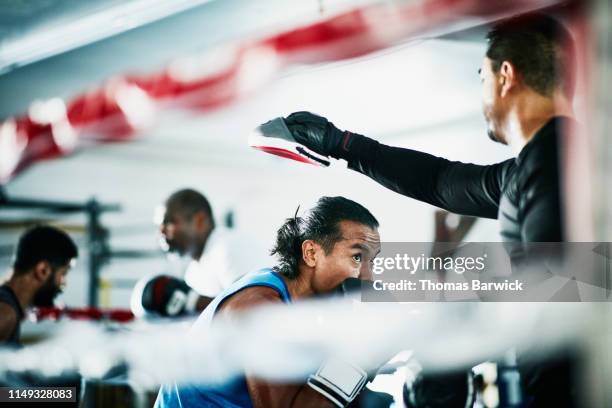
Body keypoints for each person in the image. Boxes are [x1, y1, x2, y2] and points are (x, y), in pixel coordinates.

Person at [263, 13, 576, 244]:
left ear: (505, 77)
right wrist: (340, 143)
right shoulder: (536, 164)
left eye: (483, 77)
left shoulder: (553, 163)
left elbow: (553, 297)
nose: (482, 92)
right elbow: (438, 181)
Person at [155, 196, 383, 407]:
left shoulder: (303, 310)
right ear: (311, 253)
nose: (367, 277)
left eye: (371, 262)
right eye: (357, 257)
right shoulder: (260, 308)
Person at [139, 188, 271, 316]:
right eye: (159, 226)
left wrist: (193, 301)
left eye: (169, 222)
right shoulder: (192, 273)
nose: (161, 232)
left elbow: (255, 310)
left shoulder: (228, 246)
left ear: (200, 221)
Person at [0, 225, 78, 346]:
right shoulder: (6, 313)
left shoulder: (9, 307)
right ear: (43, 270)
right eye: (63, 274)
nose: (64, 283)